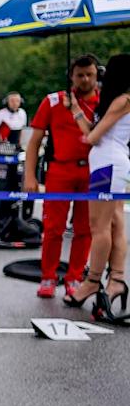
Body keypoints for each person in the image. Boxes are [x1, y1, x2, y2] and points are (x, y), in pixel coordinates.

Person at [24, 55, 101, 301]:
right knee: (53, 227)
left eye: (90, 74)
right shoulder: (53, 101)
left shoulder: (105, 102)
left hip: (93, 171)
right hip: (60, 170)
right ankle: (48, 276)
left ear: (97, 75)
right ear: (71, 76)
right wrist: (29, 175)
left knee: (85, 228)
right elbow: (34, 141)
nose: (85, 80)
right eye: (80, 75)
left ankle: (75, 277)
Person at [70, 53, 130, 324]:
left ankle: (93, 281)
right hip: (107, 163)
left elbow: (94, 137)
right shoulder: (117, 100)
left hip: (108, 165)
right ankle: (115, 279)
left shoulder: (122, 100)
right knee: (113, 223)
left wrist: (90, 133)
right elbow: (92, 133)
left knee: (100, 226)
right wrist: (77, 111)